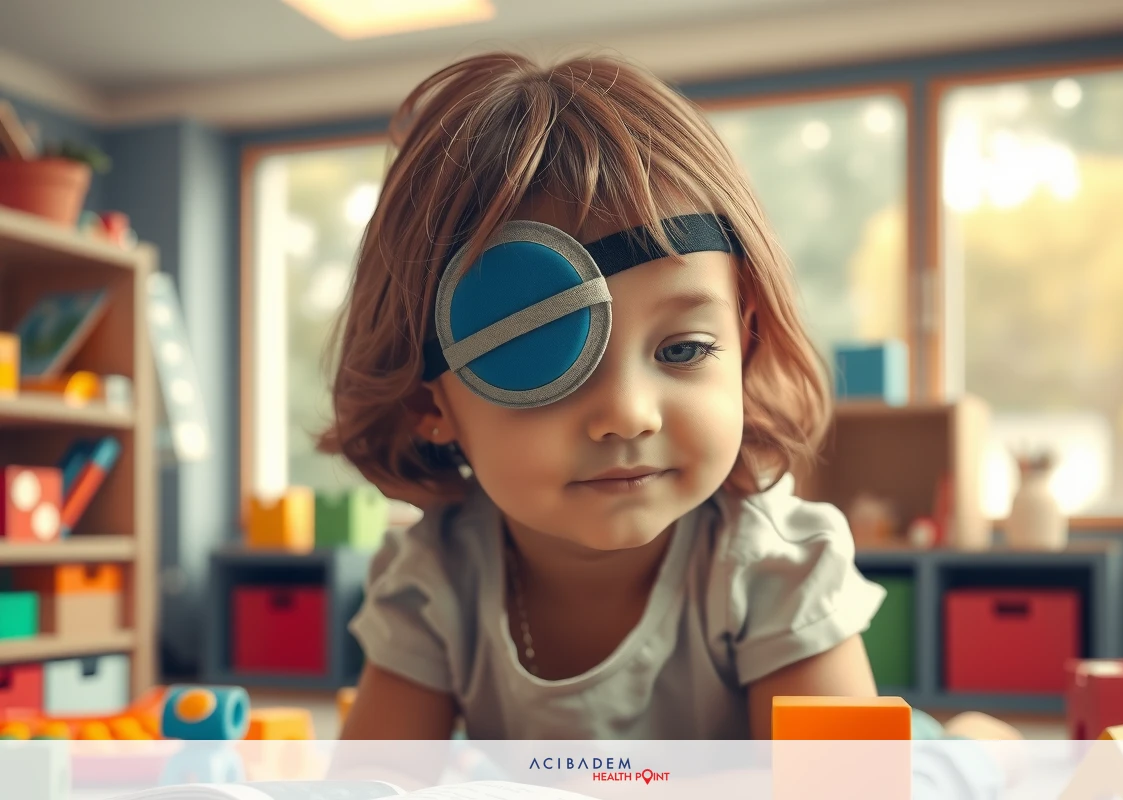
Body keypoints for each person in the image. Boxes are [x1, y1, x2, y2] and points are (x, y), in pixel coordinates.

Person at [317, 49, 1009, 749]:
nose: (628, 413)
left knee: (950, 763)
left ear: (746, 343)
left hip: (903, 770)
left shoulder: (769, 569)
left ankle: (979, 744)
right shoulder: (434, 580)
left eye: (682, 351)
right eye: (545, 364)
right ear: (425, 401)